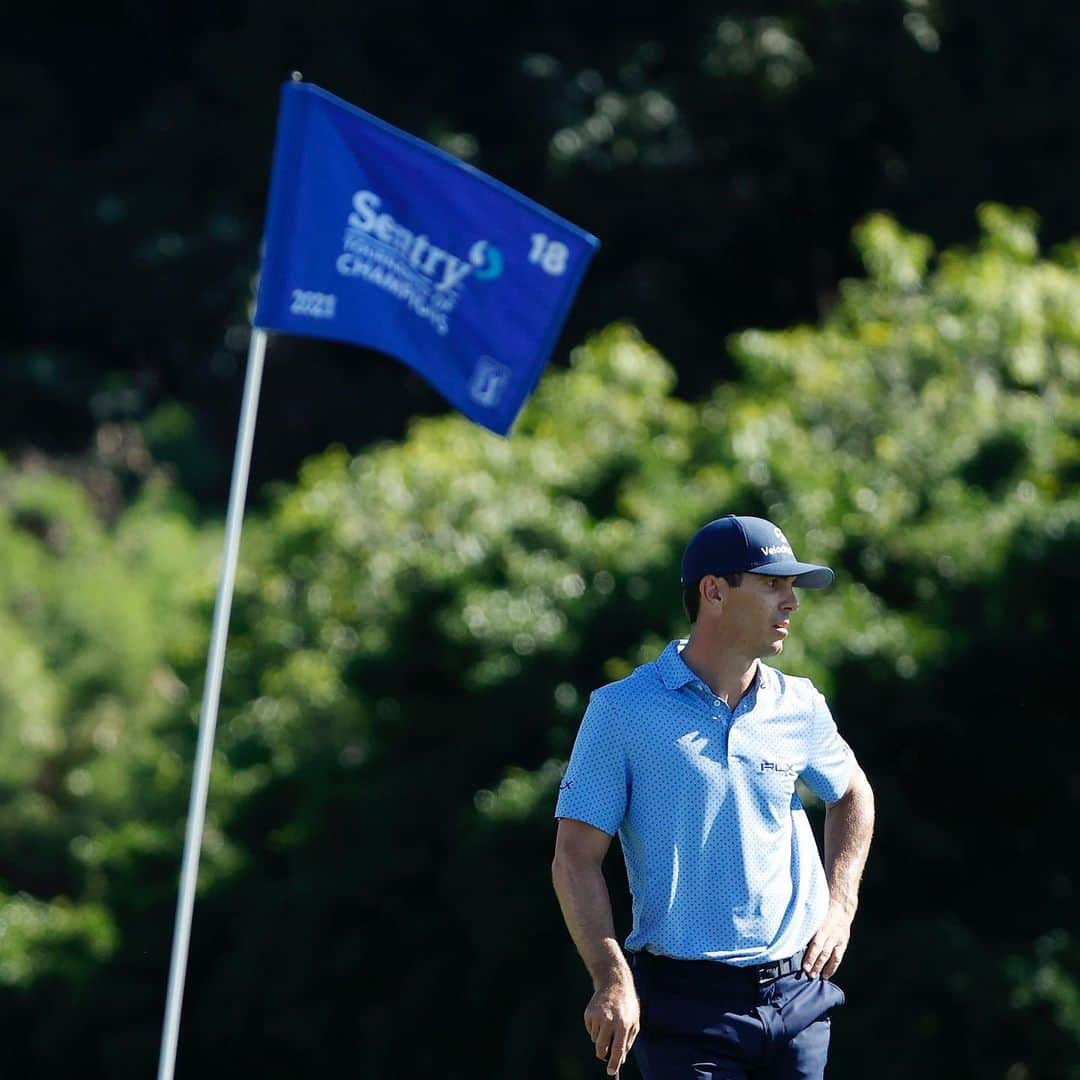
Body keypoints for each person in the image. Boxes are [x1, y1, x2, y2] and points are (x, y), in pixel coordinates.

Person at [551, 514, 875, 1079]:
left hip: (798, 992)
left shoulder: (798, 705)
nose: (791, 602)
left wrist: (841, 906)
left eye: (792, 587)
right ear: (714, 591)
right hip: (685, 1005)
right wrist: (610, 978)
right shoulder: (621, 711)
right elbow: (574, 859)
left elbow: (852, 794)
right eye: (772, 583)